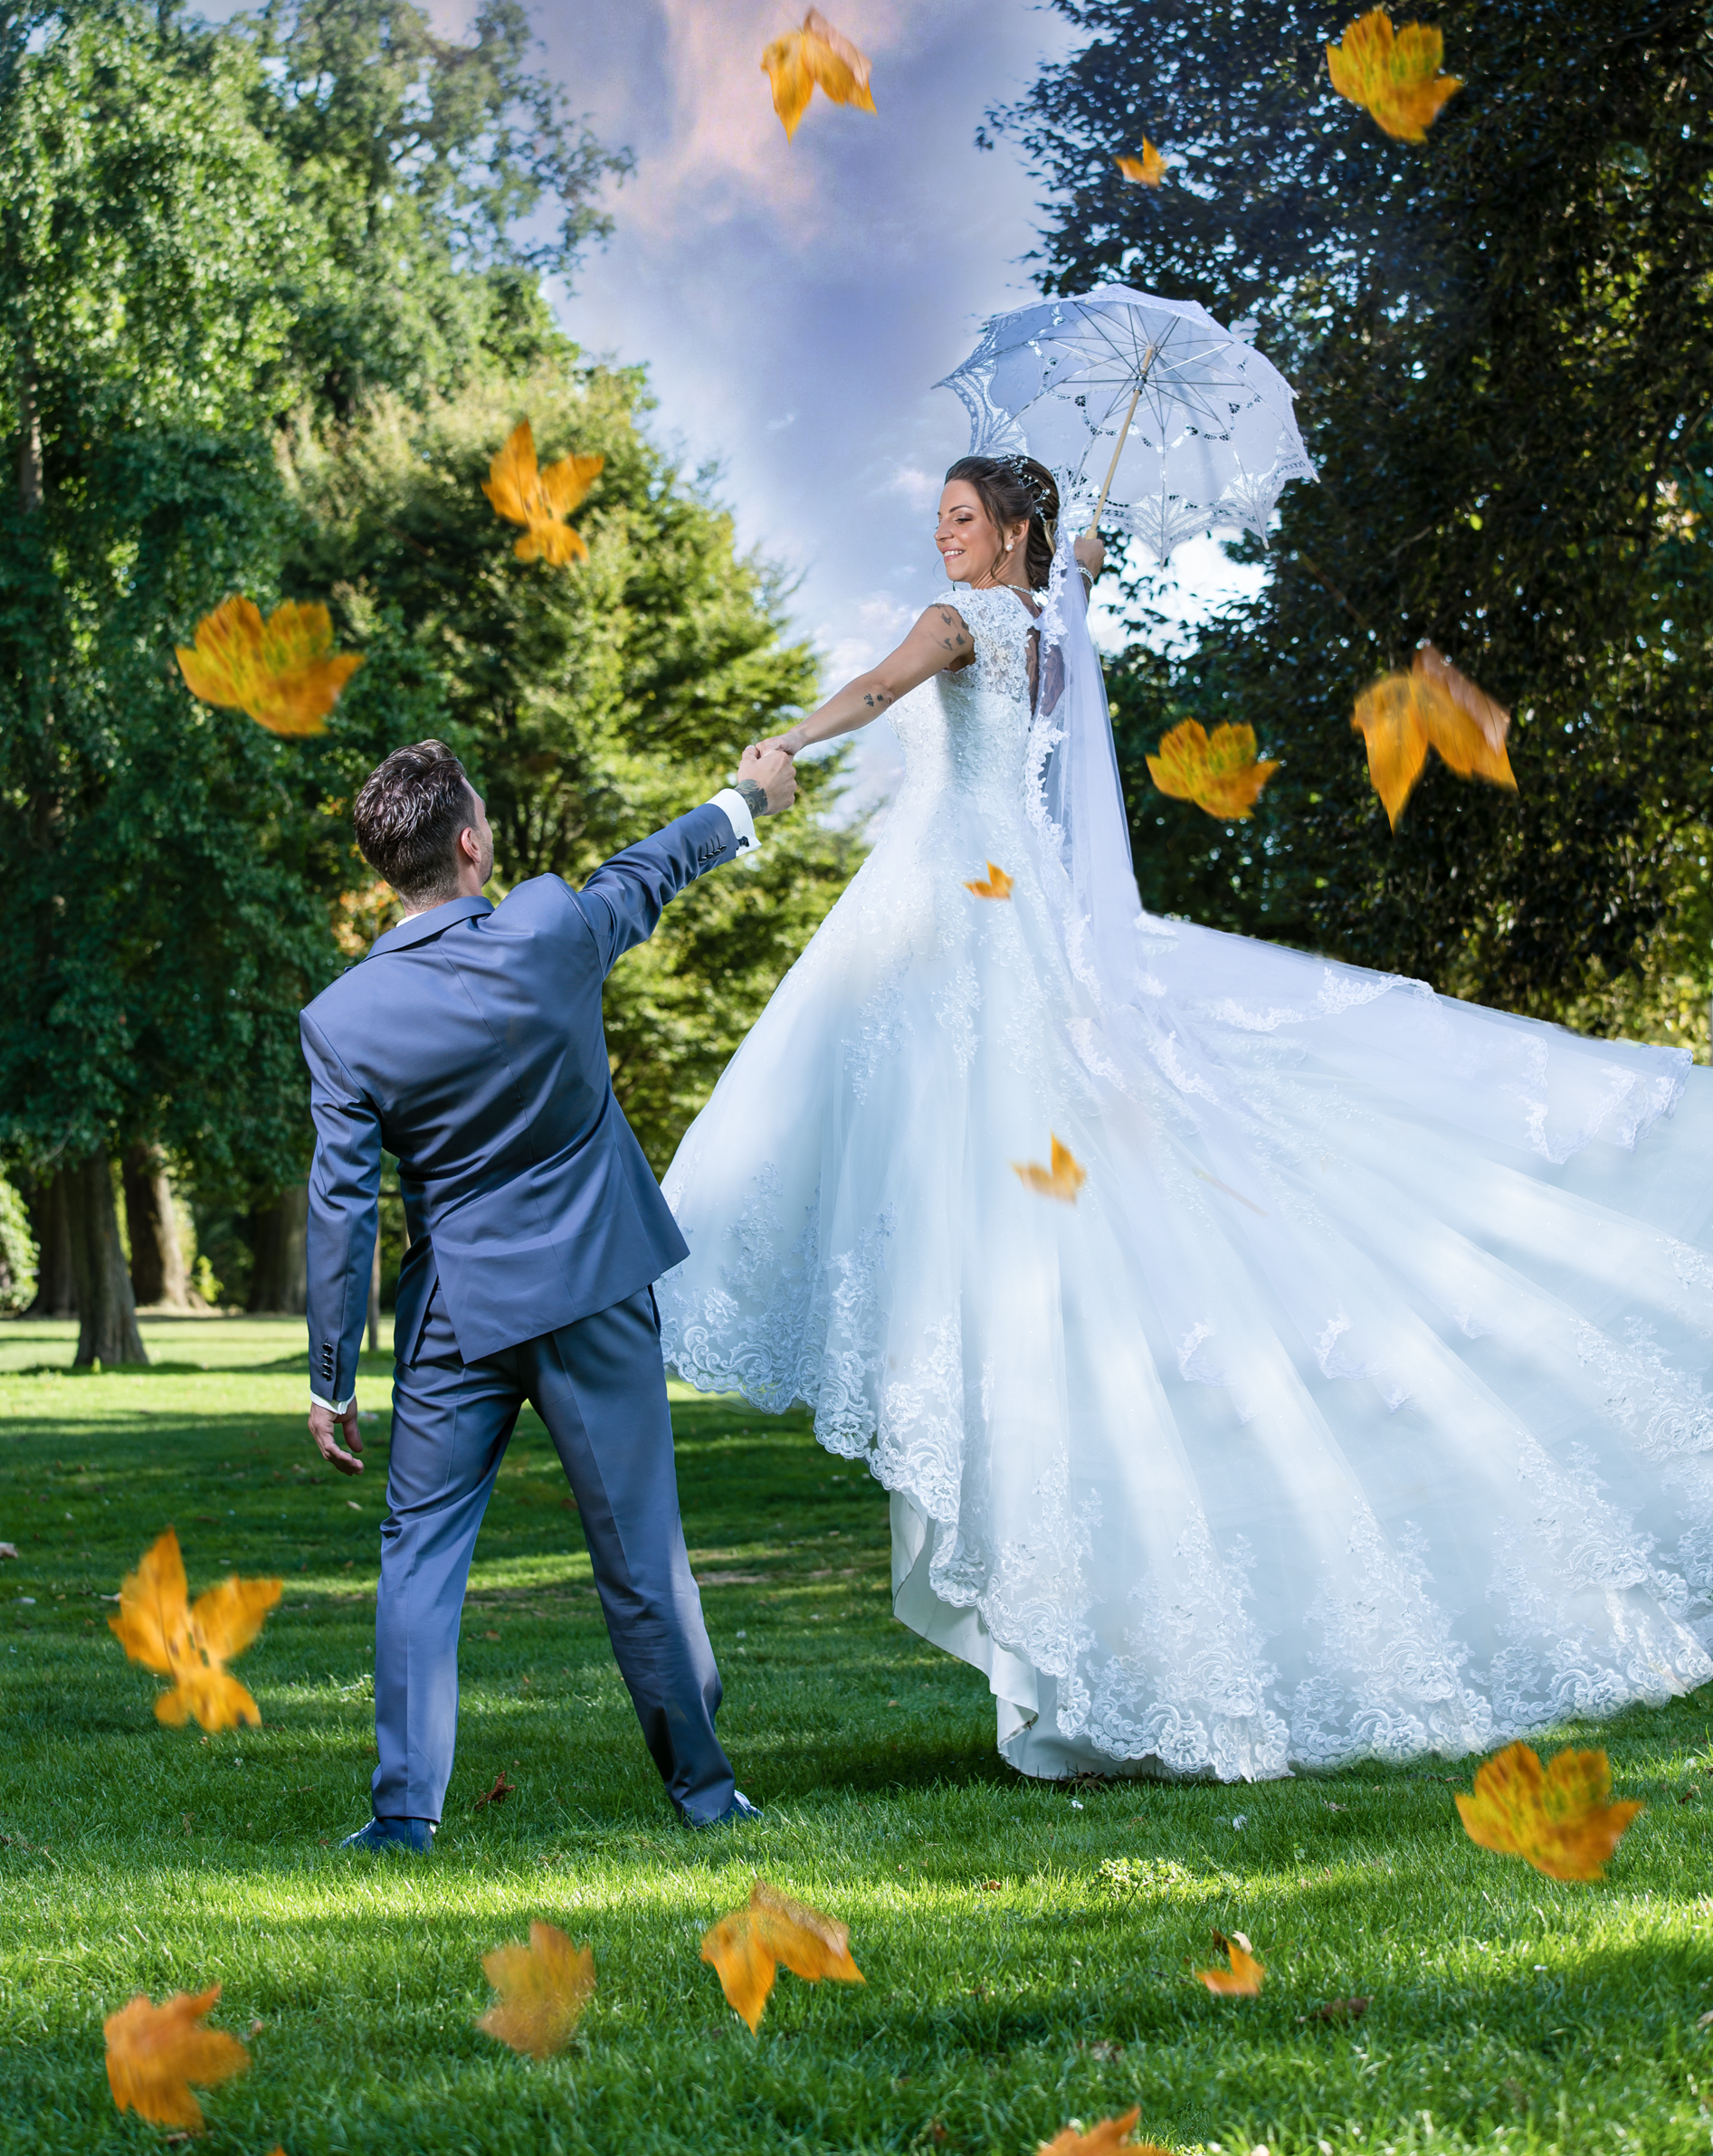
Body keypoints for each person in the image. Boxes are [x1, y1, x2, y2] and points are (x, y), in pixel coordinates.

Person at [656, 453, 1713, 1782]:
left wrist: (781, 748)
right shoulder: (1058, 623)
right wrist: (1074, 577)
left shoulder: (967, 621)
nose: (943, 536)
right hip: (1013, 913)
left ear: (1015, 528)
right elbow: (1053, 684)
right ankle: (1067, 1641)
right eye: (937, 518)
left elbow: (875, 690)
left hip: (962, 919)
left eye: (966, 518)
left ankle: (1064, 1638)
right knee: (1028, 1238)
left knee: (953, 1210)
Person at [300, 736, 797, 1850]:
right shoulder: (545, 928)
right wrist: (742, 799)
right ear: (472, 843)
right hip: (591, 1289)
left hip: (453, 1314)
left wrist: (329, 1378)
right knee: (639, 1548)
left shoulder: (341, 1019)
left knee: (417, 1555)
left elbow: (339, 1211)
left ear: (395, 866)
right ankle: (707, 1796)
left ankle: (401, 1820)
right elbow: (646, 870)